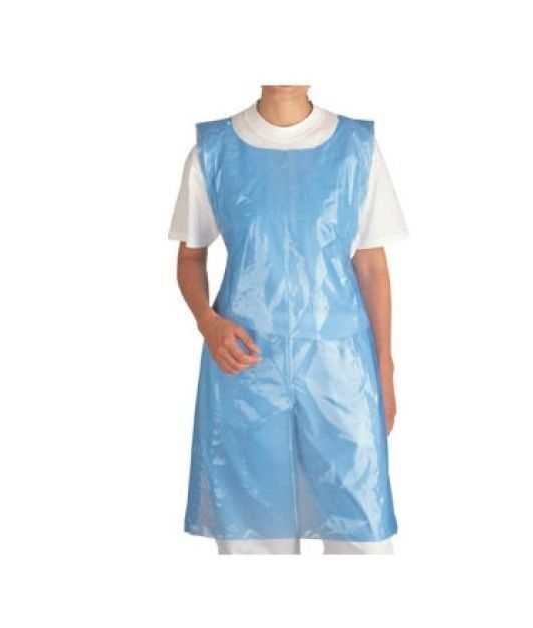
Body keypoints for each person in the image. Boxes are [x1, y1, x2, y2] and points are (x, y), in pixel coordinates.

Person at [169, 85, 409, 555]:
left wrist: (384, 366)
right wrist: (207, 322)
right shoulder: (214, 151)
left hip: (341, 370)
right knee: (254, 537)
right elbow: (190, 257)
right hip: (244, 366)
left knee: (361, 536)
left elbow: (370, 264)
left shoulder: (355, 148)